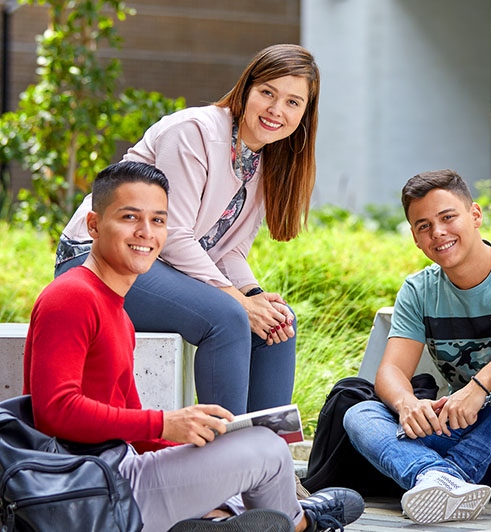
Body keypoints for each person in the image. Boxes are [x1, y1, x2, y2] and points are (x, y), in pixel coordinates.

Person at [24, 162, 363, 532]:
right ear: (93, 225)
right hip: (92, 488)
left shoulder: (117, 312)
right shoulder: (71, 296)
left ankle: (218, 517)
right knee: (267, 450)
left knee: (242, 471)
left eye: (158, 220)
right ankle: (302, 523)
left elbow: (134, 427)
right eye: (129, 217)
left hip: (118, 471)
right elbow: (54, 412)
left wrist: (196, 445)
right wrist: (167, 423)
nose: (146, 232)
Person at [55, 44, 320, 415]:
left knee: (278, 324)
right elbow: (173, 234)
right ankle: (221, 446)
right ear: (246, 90)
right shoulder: (195, 132)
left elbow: (229, 250)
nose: (277, 110)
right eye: (267, 93)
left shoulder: (266, 160)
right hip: (99, 261)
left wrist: (255, 295)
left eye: (293, 102)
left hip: (161, 269)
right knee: (227, 316)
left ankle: (265, 445)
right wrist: (238, 301)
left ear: (305, 114)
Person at [342, 170, 491, 525]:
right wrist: (408, 404)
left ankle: (454, 473)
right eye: (423, 226)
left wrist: (478, 387)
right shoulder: (419, 290)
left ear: (475, 215)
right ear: (415, 238)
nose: (437, 232)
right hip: (468, 432)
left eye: (447, 217)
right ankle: (432, 475)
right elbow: (391, 370)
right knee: (359, 414)